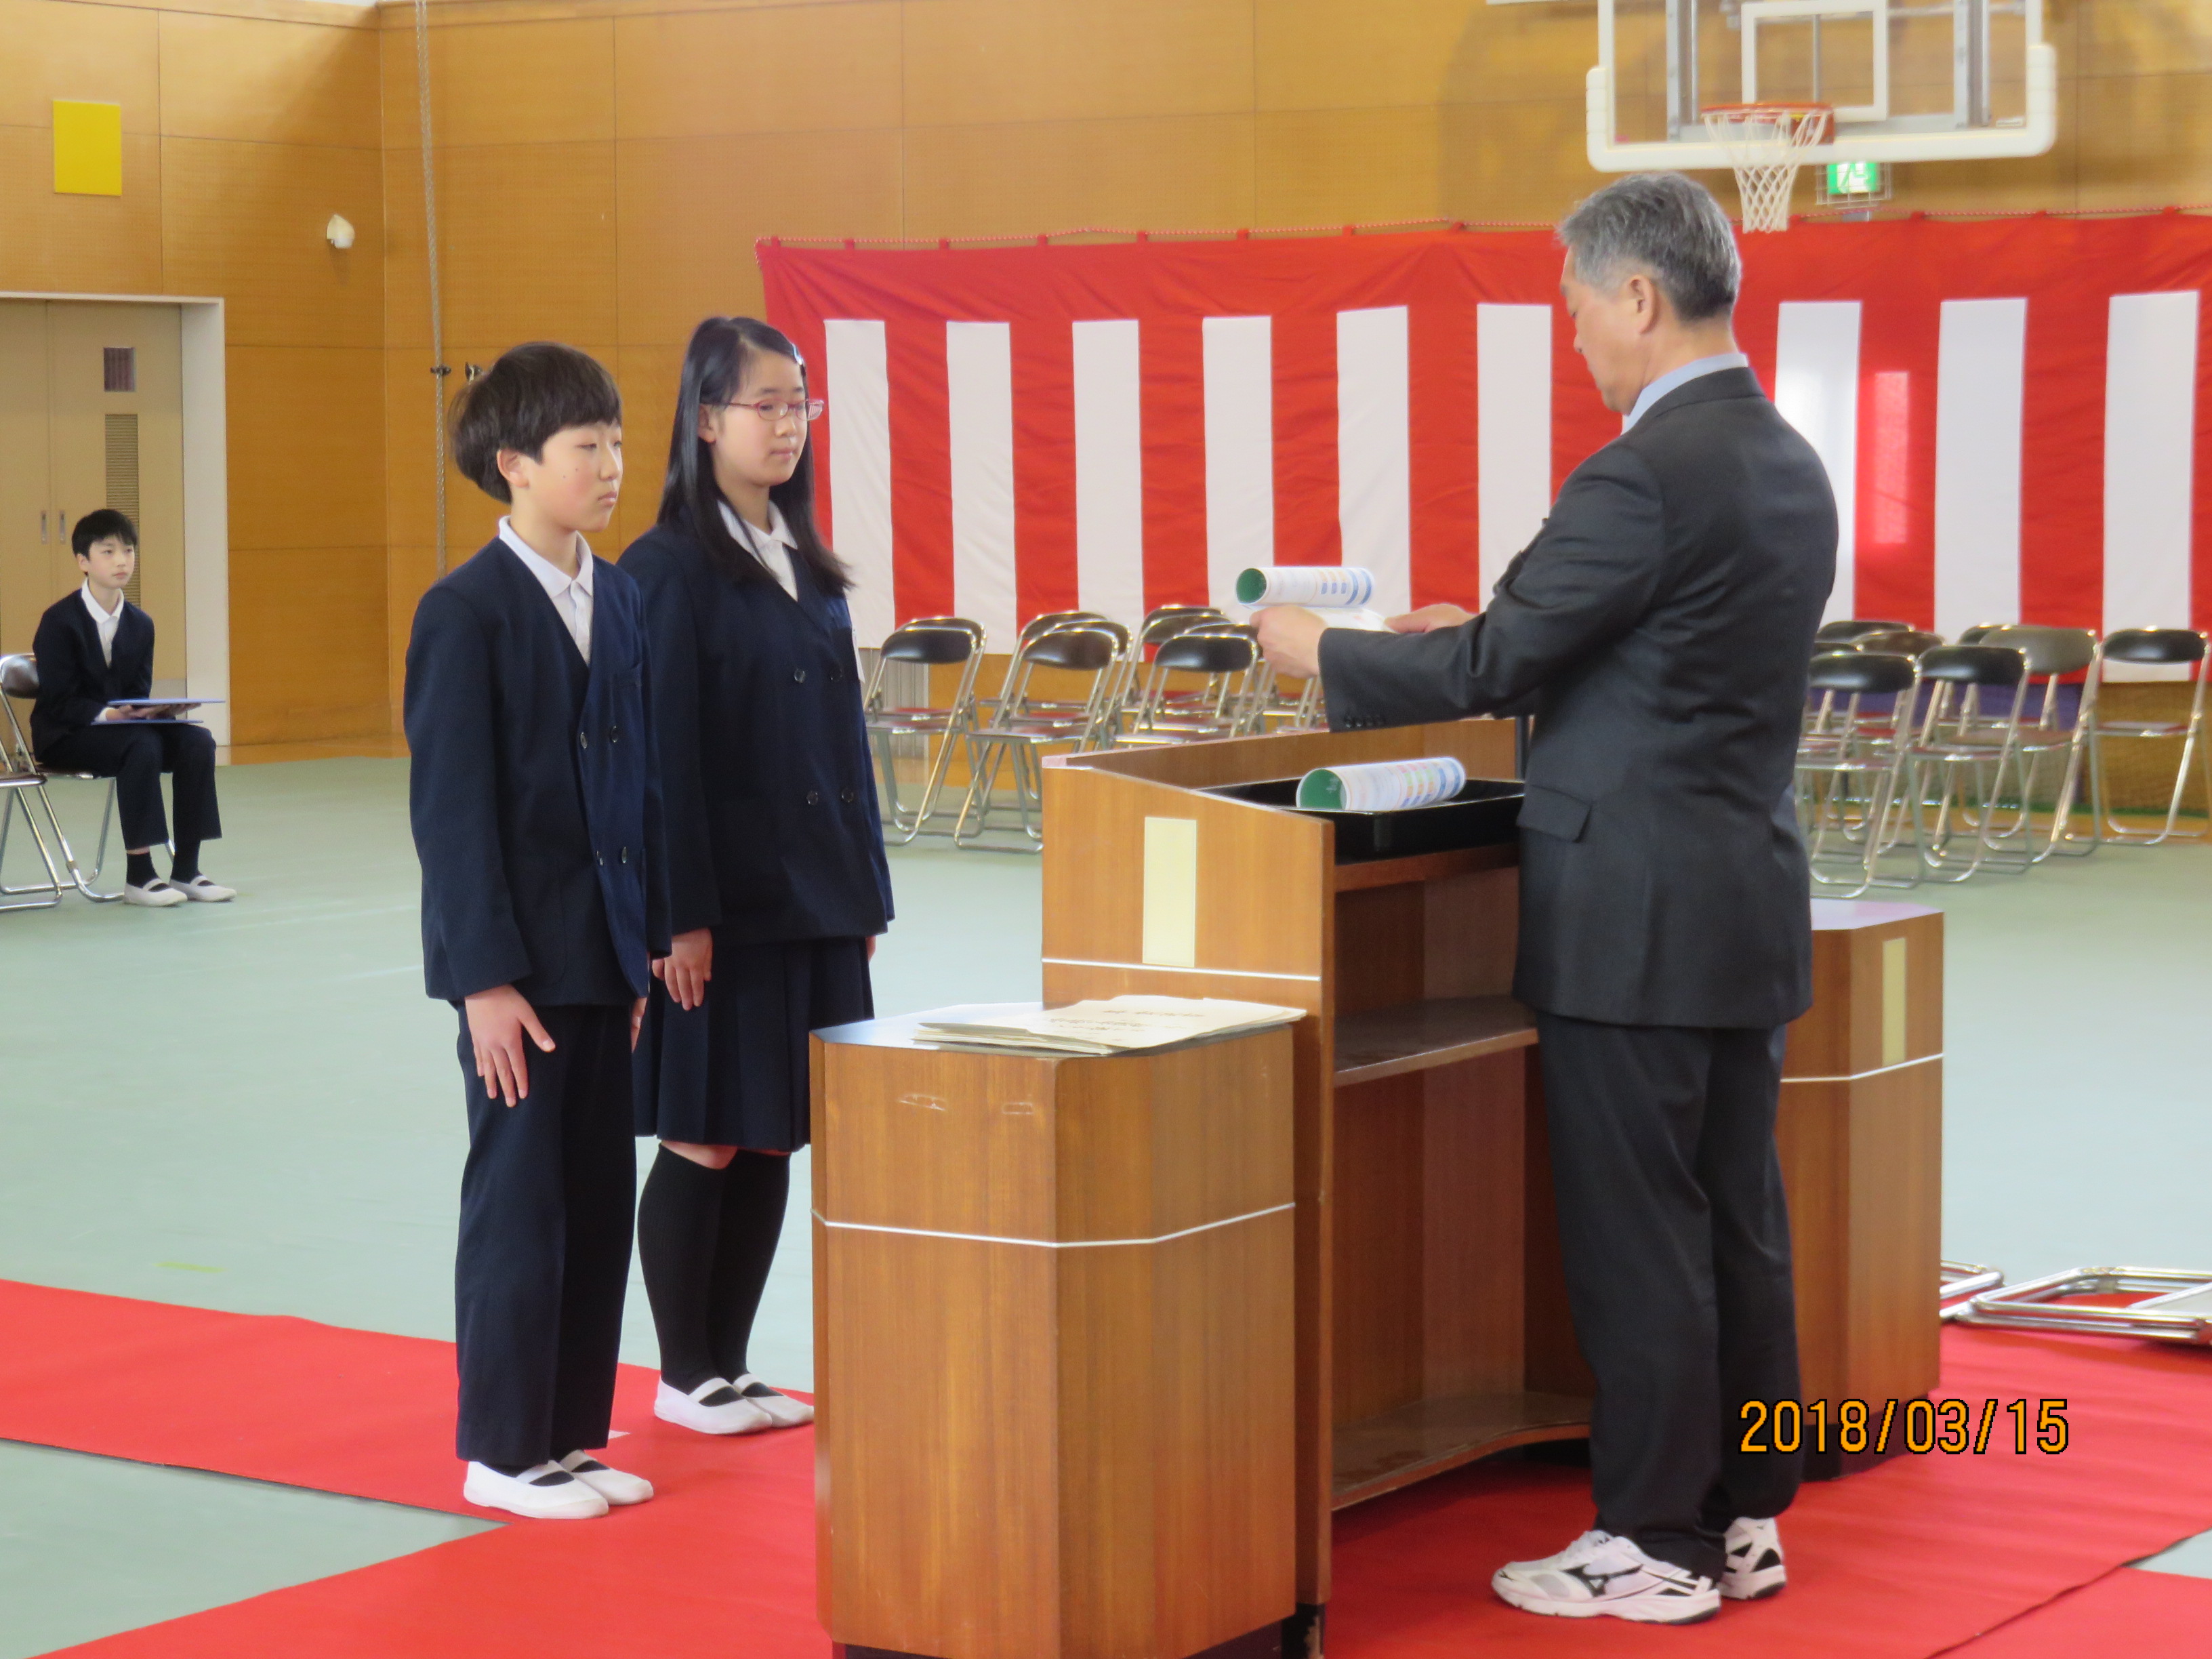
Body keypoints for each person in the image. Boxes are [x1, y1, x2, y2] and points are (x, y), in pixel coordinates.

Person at [1256, 173, 1835, 1627]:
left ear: (1637, 296)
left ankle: (1650, 1537)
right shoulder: (1783, 458)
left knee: (1642, 1234)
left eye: (1576, 309)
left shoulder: (1641, 472)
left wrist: (1323, 651)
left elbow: (1492, 670)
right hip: (1738, 892)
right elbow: (1623, 648)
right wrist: (1481, 632)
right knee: (1734, 1220)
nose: (1574, 339)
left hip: (1632, 912)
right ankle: (1743, 1515)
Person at [404, 342, 670, 1520]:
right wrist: (484, 983)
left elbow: (638, 788)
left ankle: (567, 1433)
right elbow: (452, 814)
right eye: (584, 447)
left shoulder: (619, 596)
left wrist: (641, 948)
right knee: (520, 1203)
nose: (610, 466)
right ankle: (502, 1450)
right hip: (516, 971)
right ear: (514, 463)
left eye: (616, 442)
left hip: (603, 956)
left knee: (596, 1199)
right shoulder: (464, 612)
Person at [620, 316, 891, 1437]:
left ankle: (732, 1364)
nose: (786, 425)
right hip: (723, 908)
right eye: (763, 404)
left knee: (773, 1124)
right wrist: (678, 916)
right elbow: (661, 759)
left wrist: (864, 896)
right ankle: (683, 1372)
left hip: (814, 898)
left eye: (798, 404)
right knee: (707, 1128)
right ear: (704, 419)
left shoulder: (806, 560)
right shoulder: (666, 567)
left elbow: (844, 743)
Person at [30, 509, 232, 907]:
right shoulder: (58, 621)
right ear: (84, 561)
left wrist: (156, 712)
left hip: (124, 731)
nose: (121, 561)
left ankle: (187, 870)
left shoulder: (141, 623)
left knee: (198, 742)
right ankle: (140, 876)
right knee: (141, 745)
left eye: (128, 551)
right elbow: (60, 700)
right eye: (108, 552)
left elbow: (137, 692)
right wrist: (112, 715)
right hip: (66, 735)